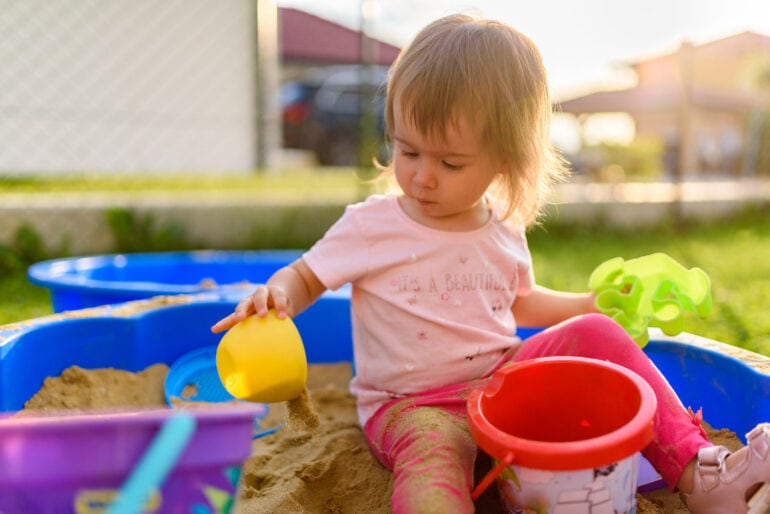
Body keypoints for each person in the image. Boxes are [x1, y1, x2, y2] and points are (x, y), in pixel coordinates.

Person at [213, 14, 770, 514]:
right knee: (432, 467)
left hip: (501, 384)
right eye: (408, 151)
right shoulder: (373, 224)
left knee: (597, 332)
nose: (422, 176)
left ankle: (700, 472)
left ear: (505, 158)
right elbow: (307, 276)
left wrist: (586, 306)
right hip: (413, 408)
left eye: (450, 161)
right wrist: (279, 294)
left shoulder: (501, 226)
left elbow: (520, 302)